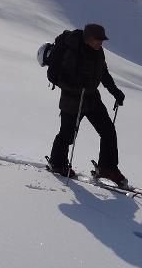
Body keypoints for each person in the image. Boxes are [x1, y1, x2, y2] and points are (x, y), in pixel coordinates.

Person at [47, 23, 129, 187]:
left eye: (102, 40)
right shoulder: (73, 50)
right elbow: (58, 77)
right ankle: (57, 163)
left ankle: (107, 168)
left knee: (108, 131)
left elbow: (103, 73)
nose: (100, 43)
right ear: (88, 38)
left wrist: (115, 92)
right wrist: (77, 86)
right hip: (72, 99)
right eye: (97, 40)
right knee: (67, 135)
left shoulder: (98, 52)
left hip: (91, 98)